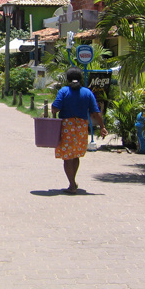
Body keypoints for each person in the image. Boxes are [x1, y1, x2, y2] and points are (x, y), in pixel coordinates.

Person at [51, 66, 108, 194]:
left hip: (66, 127)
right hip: (81, 127)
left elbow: (56, 107)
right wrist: (102, 127)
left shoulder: (64, 91)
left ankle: (72, 184)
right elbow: (95, 112)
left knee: (67, 157)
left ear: (68, 79)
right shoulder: (87, 92)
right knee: (76, 155)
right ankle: (73, 181)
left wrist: (53, 109)